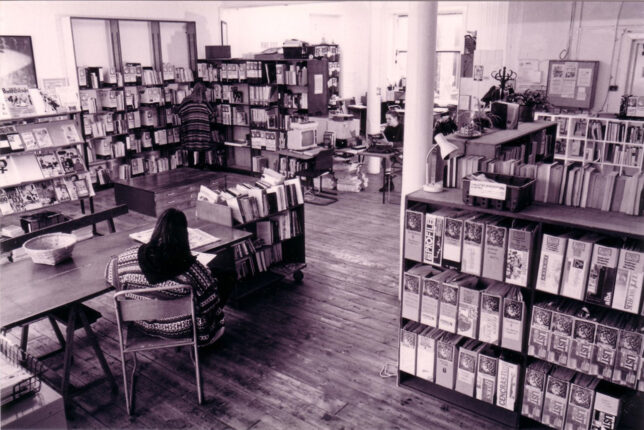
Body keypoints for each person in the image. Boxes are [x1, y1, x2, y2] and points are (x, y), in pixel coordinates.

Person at [105, 208, 231, 346]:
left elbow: (110, 275)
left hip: (141, 323)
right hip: (183, 329)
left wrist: (148, 288)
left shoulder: (126, 259)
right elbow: (210, 304)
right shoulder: (193, 271)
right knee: (224, 278)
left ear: (157, 229)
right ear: (184, 235)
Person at [173, 82, 214, 168]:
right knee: (202, 148)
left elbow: (180, 112)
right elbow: (211, 115)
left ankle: (191, 167)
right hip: (202, 129)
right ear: (204, 91)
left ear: (193, 90)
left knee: (190, 149)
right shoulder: (205, 102)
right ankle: (201, 166)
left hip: (189, 128)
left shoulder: (186, 100)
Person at [379, 110, 404, 192]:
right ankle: (389, 183)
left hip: (402, 152)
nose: (387, 121)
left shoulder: (402, 128)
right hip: (392, 151)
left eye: (389, 119)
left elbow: (405, 142)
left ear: (395, 118)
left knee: (386, 161)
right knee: (385, 161)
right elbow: (385, 139)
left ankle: (389, 183)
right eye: (386, 119)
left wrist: (393, 143)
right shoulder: (388, 128)